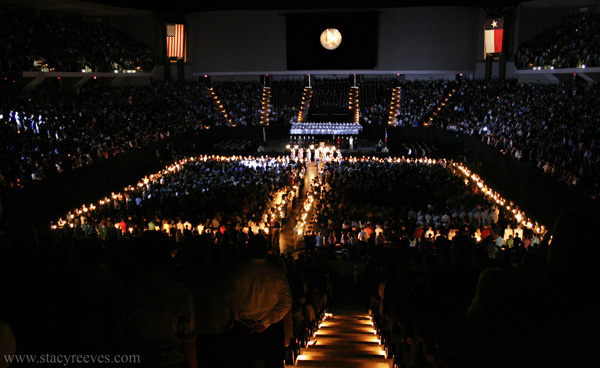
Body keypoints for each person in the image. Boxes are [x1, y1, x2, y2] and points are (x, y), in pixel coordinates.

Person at [231, 234, 292, 368]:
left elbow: (232, 302)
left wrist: (244, 320)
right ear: (266, 250)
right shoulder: (276, 273)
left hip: (245, 329)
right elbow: (286, 302)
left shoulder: (237, 273)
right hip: (271, 330)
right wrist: (265, 322)